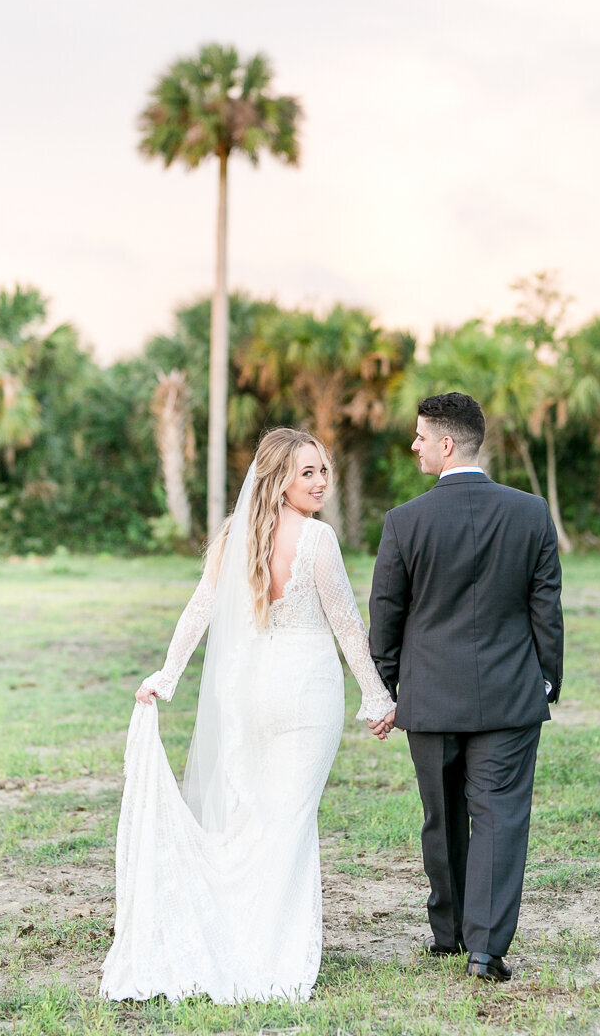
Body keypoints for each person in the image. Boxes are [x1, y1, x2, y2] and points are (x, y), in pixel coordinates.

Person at [99, 427, 394, 1004]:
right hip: (307, 697)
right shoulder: (318, 539)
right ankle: (269, 953)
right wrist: (377, 697)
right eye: (306, 472)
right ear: (279, 479)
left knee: (263, 817)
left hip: (253, 693)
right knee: (287, 821)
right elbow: (345, 625)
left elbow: (201, 608)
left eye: (323, 470)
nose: (320, 482)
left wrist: (169, 672)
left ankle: (243, 932)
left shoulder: (239, 534)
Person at [367, 392, 563, 983]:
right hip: (510, 695)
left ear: (447, 444)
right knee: (500, 817)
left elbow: (387, 613)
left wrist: (386, 686)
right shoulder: (531, 513)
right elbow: (545, 607)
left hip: (427, 698)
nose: (414, 445)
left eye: (421, 437)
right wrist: (546, 678)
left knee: (442, 817)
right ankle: (485, 951)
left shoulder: (405, 521)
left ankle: (448, 933)